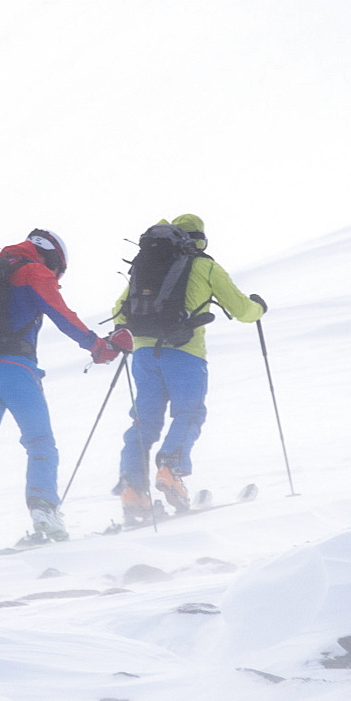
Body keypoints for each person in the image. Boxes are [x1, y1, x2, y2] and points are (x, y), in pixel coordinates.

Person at [0, 229, 122, 560]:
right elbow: (61, 313)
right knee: (39, 442)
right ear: (54, 259)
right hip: (16, 369)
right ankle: (45, 512)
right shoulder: (33, 271)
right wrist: (97, 345)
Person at [112, 214, 266, 523]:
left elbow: (119, 311)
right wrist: (258, 308)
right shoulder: (204, 265)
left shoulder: (146, 265)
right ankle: (170, 469)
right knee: (189, 413)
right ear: (200, 238)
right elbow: (240, 308)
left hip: (143, 355)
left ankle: (133, 488)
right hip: (185, 354)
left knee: (144, 421)